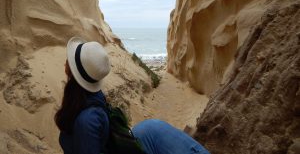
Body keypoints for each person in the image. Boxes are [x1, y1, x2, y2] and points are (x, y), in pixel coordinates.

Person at [55, 37, 210, 154]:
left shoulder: (85, 114)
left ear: (72, 72)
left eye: (70, 61)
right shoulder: (88, 102)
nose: (65, 62)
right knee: (154, 129)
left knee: (153, 128)